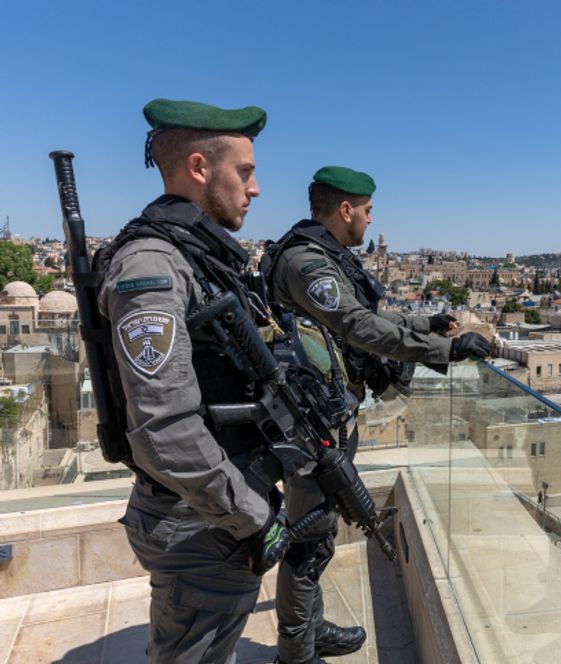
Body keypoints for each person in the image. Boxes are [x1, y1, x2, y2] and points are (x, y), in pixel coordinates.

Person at [264, 165, 491, 663]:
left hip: (324, 412)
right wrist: (442, 349)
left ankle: (309, 630)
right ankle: (296, 654)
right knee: (310, 540)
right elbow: (357, 326)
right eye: (367, 211)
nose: (370, 220)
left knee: (317, 534)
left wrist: (426, 321)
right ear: (345, 210)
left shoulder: (325, 257)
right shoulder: (308, 263)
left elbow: (365, 316)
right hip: (311, 423)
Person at [98, 99, 290, 662]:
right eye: (246, 172)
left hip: (208, 510)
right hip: (199, 521)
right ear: (200, 168)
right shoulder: (152, 265)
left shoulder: (197, 254)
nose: (256, 190)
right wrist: (251, 519)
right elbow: (165, 426)